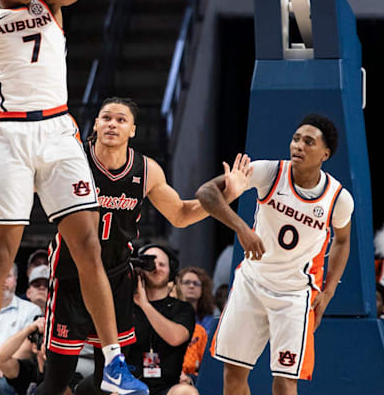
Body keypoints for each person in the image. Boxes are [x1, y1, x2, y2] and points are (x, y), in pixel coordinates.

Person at [0, 0, 147, 395]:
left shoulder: (46, 0)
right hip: (12, 135)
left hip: (61, 131)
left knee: (89, 248)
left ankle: (113, 364)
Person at [35, 98, 249, 395]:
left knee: (106, 381)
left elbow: (181, 214)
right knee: (57, 379)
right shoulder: (74, 160)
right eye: (106, 118)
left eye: (121, 120)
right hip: (72, 275)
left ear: (132, 130)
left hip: (117, 277)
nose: (112, 124)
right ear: (95, 124)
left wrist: (225, 194)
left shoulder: (147, 171)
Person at [198, 114, 354, 395]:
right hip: (252, 283)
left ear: (325, 154)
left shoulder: (338, 198)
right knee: (233, 376)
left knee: (284, 383)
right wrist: (242, 228)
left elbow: (343, 241)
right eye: (296, 139)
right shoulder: (268, 172)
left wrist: (329, 290)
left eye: (309, 142)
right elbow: (206, 192)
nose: (299, 146)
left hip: (295, 295)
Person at [124, 245, 198, 395]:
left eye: (162, 264)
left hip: (167, 387)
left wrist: (145, 305)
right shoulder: (126, 307)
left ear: (171, 270)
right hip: (129, 386)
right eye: (150, 263)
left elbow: (176, 338)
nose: (156, 268)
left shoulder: (182, 308)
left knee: (186, 392)